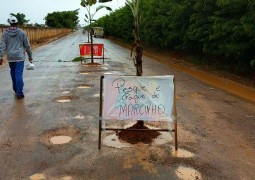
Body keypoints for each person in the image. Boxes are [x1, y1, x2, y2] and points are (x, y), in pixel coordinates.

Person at [0, 16, 33, 99]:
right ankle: (19, 93)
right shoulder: (22, 33)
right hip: (19, 57)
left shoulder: (5, 33)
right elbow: (27, 46)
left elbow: (2, 46)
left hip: (10, 57)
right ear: (17, 23)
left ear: (9, 23)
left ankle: (15, 89)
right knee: (18, 74)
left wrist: (0, 57)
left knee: (13, 72)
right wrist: (30, 56)